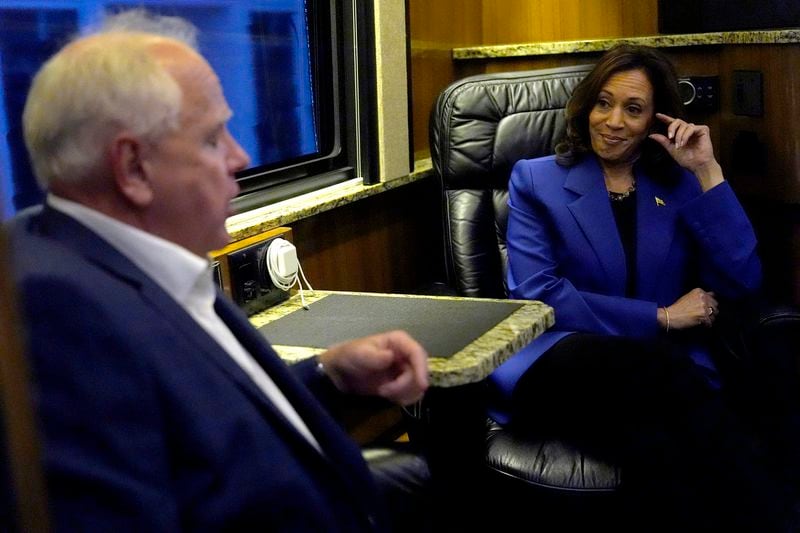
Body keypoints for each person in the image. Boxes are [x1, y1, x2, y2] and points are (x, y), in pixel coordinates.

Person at [8, 11, 429, 532]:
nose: (240, 156)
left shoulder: (139, 263)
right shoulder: (62, 317)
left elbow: (206, 423)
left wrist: (329, 375)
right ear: (133, 168)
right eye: (213, 139)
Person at [488, 44, 796, 531]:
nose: (612, 121)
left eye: (633, 109)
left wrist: (706, 172)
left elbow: (742, 280)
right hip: (561, 357)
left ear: (657, 118)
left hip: (658, 380)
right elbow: (539, 294)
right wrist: (662, 318)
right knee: (684, 412)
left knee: (659, 446)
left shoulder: (678, 184)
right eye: (603, 103)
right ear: (586, 106)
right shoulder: (536, 179)